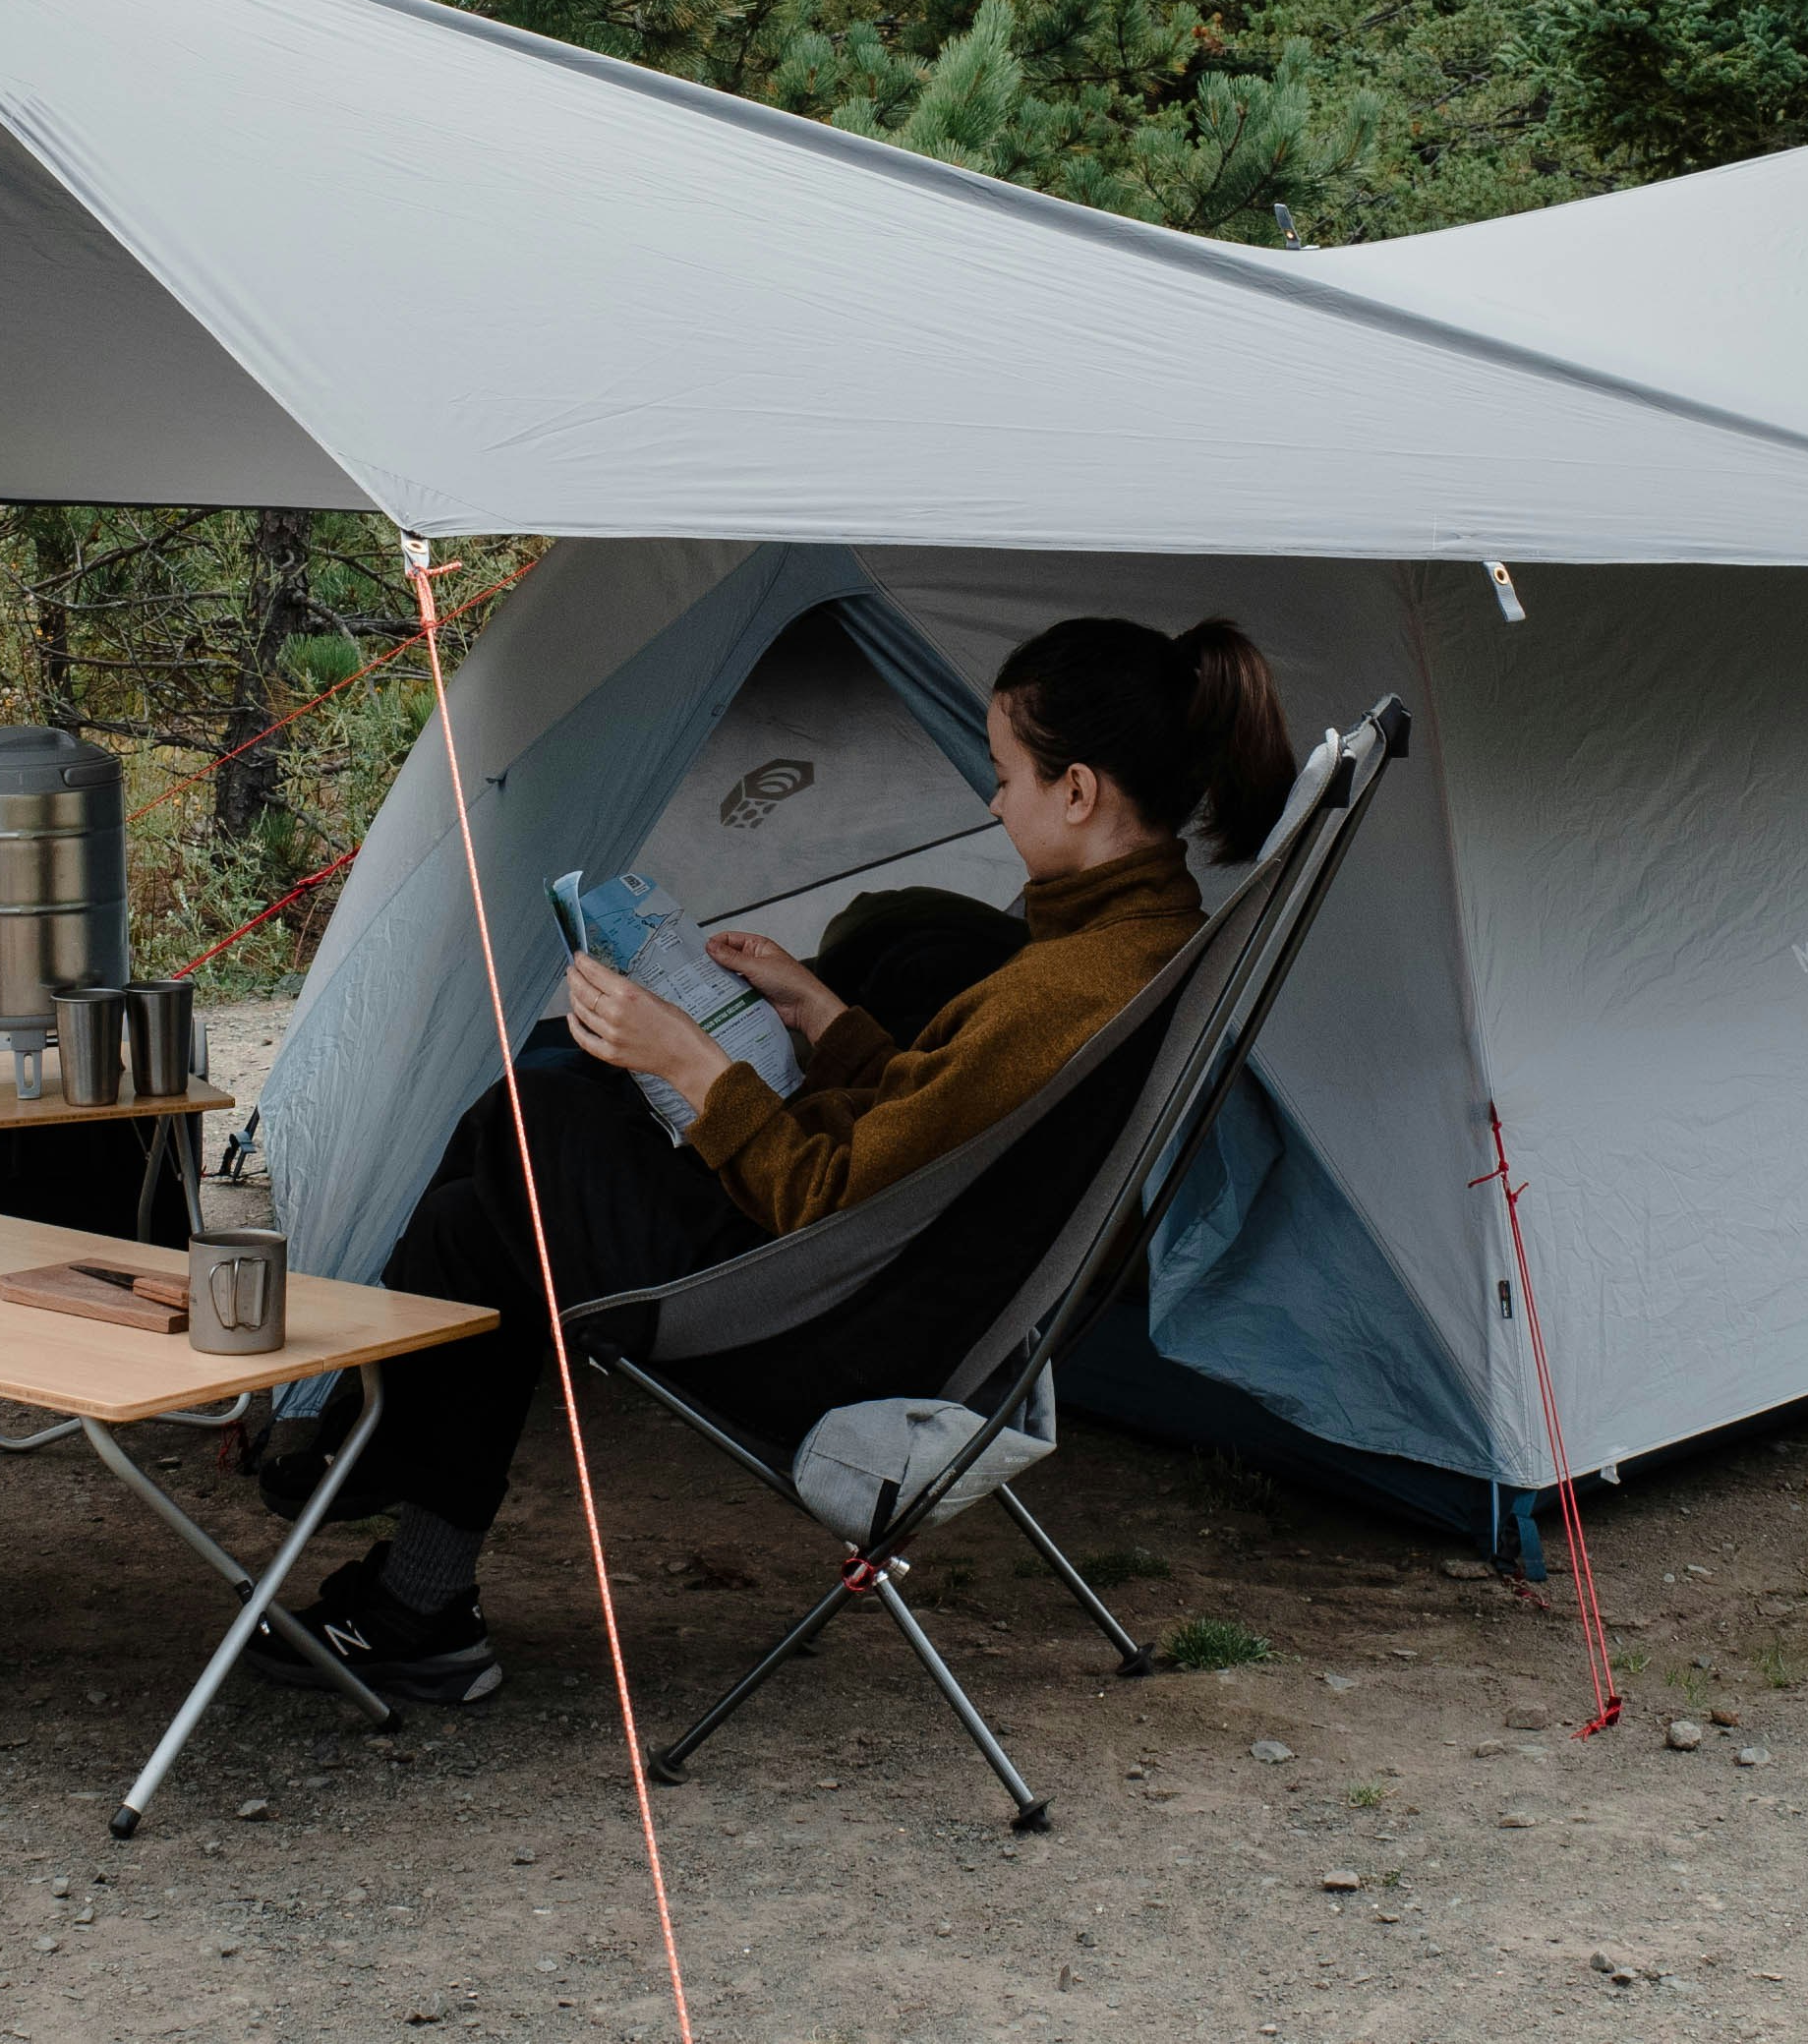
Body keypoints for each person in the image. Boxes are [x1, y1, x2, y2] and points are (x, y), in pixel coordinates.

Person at [257, 614, 1295, 1707]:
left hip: (823, 1333)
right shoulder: (1133, 947)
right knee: (498, 1196)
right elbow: (941, 1129)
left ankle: (367, 1457)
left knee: (544, 1102)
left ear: (1077, 791)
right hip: (891, 1297)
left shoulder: (1062, 988)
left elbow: (824, 1197)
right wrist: (819, 1011)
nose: (994, 803)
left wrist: (697, 1062)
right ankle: (411, 1592)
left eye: (1005, 778)